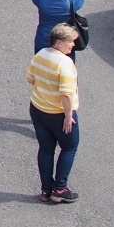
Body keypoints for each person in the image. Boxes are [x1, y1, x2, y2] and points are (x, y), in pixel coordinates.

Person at [27, 23, 82, 204]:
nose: (73, 45)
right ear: (59, 42)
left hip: (38, 109)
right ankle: (60, 188)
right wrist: (68, 117)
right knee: (69, 147)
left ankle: (46, 190)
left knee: (46, 149)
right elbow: (66, 94)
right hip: (58, 113)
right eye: (70, 42)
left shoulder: (40, 55)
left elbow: (31, 79)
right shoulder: (65, 63)